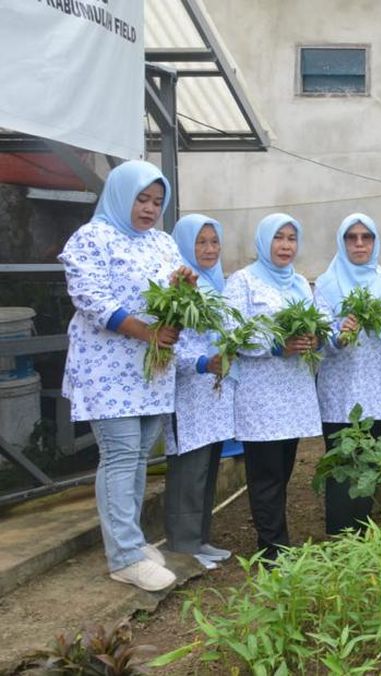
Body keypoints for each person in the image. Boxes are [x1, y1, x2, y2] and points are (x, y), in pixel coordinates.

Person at [59, 160, 190, 591]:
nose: (150, 208)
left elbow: (175, 297)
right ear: (119, 195)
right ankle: (124, 556)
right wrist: (147, 331)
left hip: (151, 369)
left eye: (157, 201)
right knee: (119, 454)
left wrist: (185, 290)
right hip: (107, 367)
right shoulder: (91, 239)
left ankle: (130, 541)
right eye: (141, 199)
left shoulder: (162, 243)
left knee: (137, 457)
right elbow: (91, 299)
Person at [224, 213, 322, 561]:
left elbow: (312, 323)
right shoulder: (242, 282)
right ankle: (272, 550)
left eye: (291, 239)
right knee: (265, 475)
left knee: (283, 472)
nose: (285, 246)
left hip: (292, 393)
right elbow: (232, 332)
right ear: (265, 242)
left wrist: (314, 338)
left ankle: (278, 541)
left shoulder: (298, 282)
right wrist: (276, 345)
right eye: (278, 238)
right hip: (261, 395)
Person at [313, 214, 381, 534]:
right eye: (352, 237)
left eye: (367, 237)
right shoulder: (326, 283)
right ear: (342, 241)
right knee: (341, 461)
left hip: (376, 385)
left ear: (375, 241)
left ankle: (363, 531)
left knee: (369, 462)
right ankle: (339, 532)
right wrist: (340, 335)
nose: (360, 243)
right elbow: (319, 338)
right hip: (341, 387)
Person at [163, 214, 235, 570]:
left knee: (207, 467)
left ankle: (199, 538)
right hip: (189, 391)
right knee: (187, 470)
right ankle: (181, 544)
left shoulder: (215, 283)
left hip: (213, 393)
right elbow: (169, 345)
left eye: (214, 241)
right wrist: (205, 363)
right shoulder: (177, 287)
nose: (209, 249)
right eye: (201, 242)